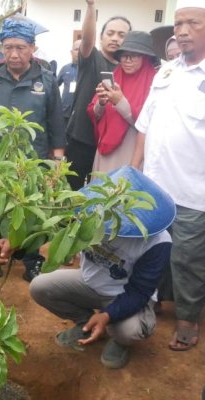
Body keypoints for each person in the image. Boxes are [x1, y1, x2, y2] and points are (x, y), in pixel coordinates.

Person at [24, 167, 173, 369]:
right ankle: (85, 322)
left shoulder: (158, 242)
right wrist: (15, 243)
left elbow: (139, 292)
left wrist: (107, 315)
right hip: (89, 283)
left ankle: (119, 341)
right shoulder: (91, 215)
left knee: (127, 331)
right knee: (40, 286)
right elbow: (52, 230)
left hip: (125, 294)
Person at [0, 18, 66, 285]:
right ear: (1, 48)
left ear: (33, 48)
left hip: (33, 163)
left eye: (21, 47)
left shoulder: (45, 80)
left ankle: (33, 262)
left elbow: (56, 124)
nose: (14, 54)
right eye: (8, 47)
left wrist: (57, 162)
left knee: (33, 212)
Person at [131, 0, 205, 352]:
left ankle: (189, 320)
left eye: (193, 23)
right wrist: (134, 170)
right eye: (178, 24)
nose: (182, 30)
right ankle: (151, 300)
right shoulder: (166, 72)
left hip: (195, 191)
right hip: (155, 187)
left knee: (187, 258)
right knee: (151, 249)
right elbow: (144, 125)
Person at [65, 0, 131, 190]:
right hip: (81, 140)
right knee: (72, 192)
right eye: (110, 33)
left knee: (101, 194)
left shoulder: (127, 69)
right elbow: (86, 40)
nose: (115, 38)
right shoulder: (91, 58)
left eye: (121, 35)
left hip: (110, 147)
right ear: (101, 38)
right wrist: (91, 6)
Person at [87, 31, 158, 175]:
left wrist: (120, 102)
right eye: (124, 56)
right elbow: (94, 113)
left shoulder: (154, 82)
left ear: (146, 58)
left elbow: (149, 124)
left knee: (123, 190)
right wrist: (101, 102)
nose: (127, 60)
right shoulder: (116, 75)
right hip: (105, 148)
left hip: (132, 149)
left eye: (134, 56)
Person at [57, 40, 81, 128]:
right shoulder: (65, 68)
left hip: (80, 113)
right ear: (71, 52)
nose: (79, 52)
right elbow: (54, 87)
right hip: (65, 111)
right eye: (76, 49)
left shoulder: (88, 70)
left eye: (81, 49)